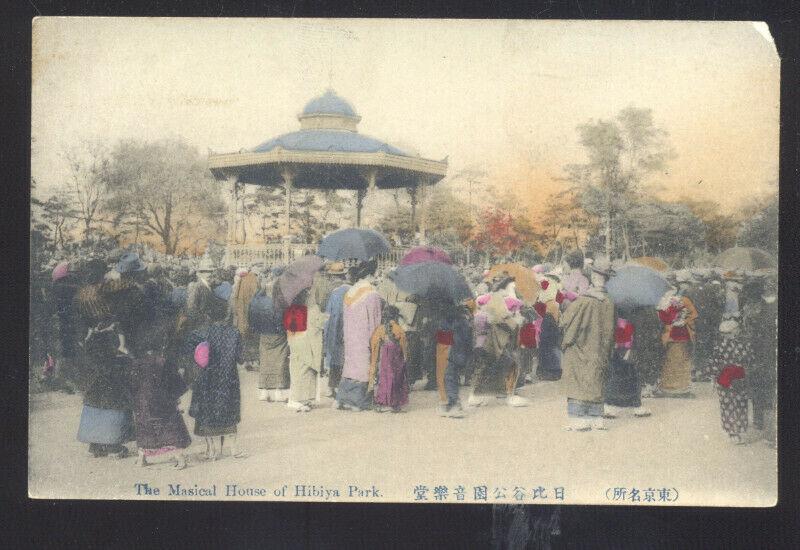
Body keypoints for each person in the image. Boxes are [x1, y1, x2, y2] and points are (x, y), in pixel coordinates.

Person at [74, 258, 134, 458]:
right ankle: (113, 442)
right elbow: (118, 309)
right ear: (101, 273)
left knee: (95, 390)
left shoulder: (81, 294)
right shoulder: (104, 290)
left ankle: (95, 443)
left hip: (92, 346)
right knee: (114, 391)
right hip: (109, 342)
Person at [130, 296, 191, 469]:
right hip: (162, 389)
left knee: (144, 423)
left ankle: (142, 457)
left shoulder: (140, 335)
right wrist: (176, 394)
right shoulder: (166, 342)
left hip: (143, 390)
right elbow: (173, 373)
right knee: (170, 423)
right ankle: (179, 457)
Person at [188, 282, 247, 460]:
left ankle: (211, 450)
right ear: (227, 313)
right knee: (229, 411)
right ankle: (234, 449)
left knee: (207, 412)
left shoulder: (200, 333)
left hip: (207, 379)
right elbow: (241, 358)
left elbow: (194, 356)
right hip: (228, 379)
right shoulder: (234, 333)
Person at [559, 258, 615, 431]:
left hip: (581, 347)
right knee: (596, 377)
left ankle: (579, 418)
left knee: (578, 379)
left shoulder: (584, 301)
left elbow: (566, 323)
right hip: (600, 348)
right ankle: (596, 416)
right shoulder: (610, 301)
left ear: (594, 275)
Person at [468, 276, 528, 408]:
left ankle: (478, 395)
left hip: (490, 341)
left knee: (488, 367)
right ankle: (508, 395)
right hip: (495, 341)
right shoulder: (497, 300)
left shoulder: (493, 299)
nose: (513, 288)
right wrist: (515, 320)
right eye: (511, 286)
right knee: (511, 364)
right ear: (504, 287)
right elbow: (500, 319)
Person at [336, 260, 383, 412]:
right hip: (364, 337)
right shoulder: (372, 293)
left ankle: (343, 398)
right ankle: (358, 401)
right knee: (363, 368)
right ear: (372, 273)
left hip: (350, 336)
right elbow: (376, 320)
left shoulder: (350, 291)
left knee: (350, 366)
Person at [741, 275, 777, 446]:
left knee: (758, 388)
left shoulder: (753, 308)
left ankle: (760, 422)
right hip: (761, 354)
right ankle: (762, 422)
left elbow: (750, 332)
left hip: (756, 354)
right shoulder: (767, 307)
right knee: (762, 388)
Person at [654, 271, 698, 398]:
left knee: (669, 361)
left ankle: (668, 387)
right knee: (681, 361)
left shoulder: (662, 302)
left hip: (669, 334)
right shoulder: (682, 300)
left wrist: (674, 321)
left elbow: (661, 318)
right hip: (681, 334)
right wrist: (683, 320)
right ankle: (681, 388)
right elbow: (694, 314)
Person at [710, 319, 754, 445]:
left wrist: (713, 377)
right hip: (736, 377)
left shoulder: (719, 346)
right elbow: (750, 358)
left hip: (727, 378)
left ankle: (733, 432)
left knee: (728, 404)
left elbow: (714, 363)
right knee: (739, 403)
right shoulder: (744, 345)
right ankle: (738, 431)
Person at [284, 287, 327, 412]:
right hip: (307, 345)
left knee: (298, 371)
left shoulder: (291, 309)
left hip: (295, 345)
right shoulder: (312, 309)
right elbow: (318, 324)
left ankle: (302, 399)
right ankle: (296, 400)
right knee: (305, 373)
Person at [603, 310, 651, 419]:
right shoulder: (634, 312)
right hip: (627, 349)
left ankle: (609, 406)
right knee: (632, 377)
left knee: (614, 376)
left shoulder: (613, 309)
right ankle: (635, 405)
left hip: (616, 348)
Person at [250, 278, 290, 403]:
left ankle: (264, 391)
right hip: (279, 335)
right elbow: (283, 318)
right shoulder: (281, 302)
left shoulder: (257, 301)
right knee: (280, 362)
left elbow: (251, 317)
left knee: (265, 361)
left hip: (264, 334)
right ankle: (279, 391)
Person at [434, 302, 474, 417]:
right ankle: (453, 402)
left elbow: (443, 337)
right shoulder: (464, 321)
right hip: (460, 352)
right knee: (452, 376)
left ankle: (454, 404)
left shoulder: (451, 321)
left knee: (449, 376)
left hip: (452, 352)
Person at [368, 305, 410, 412]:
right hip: (396, 358)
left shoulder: (380, 329)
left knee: (384, 379)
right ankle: (395, 403)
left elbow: (373, 343)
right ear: (396, 316)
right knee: (396, 378)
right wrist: (405, 358)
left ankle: (383, 402)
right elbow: (404, 346)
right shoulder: (399, 329)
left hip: (384, 358)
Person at [323, 263, 351, 396]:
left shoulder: (333, 292)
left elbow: (328, 314)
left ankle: (332, 386)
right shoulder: (351, 289)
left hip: (335, 326)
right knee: (346, 357)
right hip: (348, 326)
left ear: (332, 277)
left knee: (334, 356)